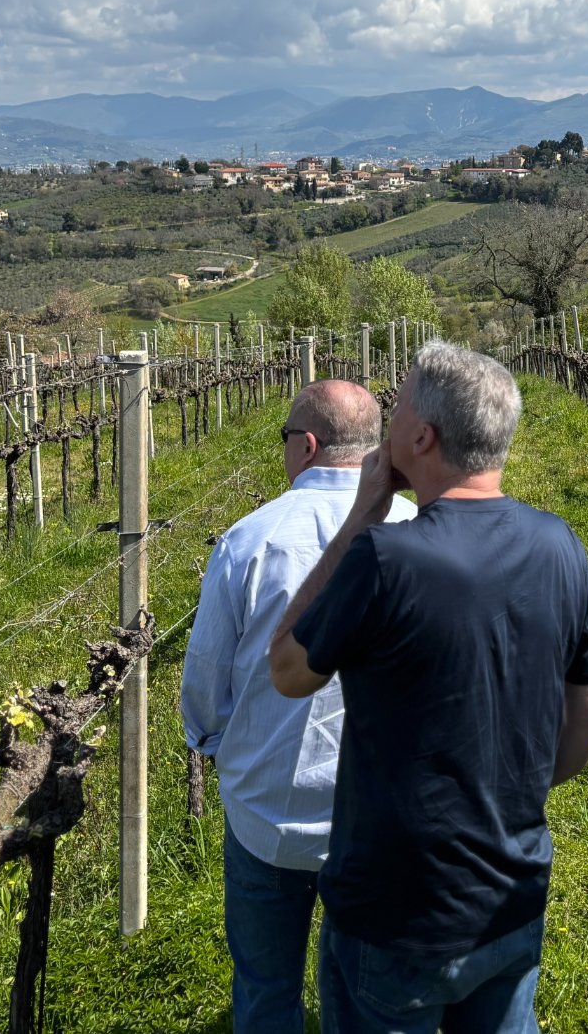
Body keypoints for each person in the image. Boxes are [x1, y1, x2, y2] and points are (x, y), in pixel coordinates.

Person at [269, 340, 588, 1034]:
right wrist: (514, 791)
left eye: (396, 406)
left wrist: (366, 510)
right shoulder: (561, 544)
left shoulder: (383, 558)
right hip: (512, 890)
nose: (387, 420)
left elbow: (287, 670)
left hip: (395, 907)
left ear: (422, 437)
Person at [180, 378, 417, 1034]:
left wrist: (215, 742)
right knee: (370, 990)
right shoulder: (422, 529)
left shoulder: (248, 540)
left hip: (268, 812)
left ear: (305, 445)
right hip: (384, 816)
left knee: (264, 982)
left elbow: (206, 679)